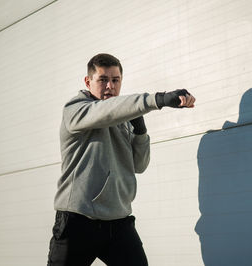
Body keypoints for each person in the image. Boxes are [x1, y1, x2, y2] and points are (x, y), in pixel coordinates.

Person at [47, 53, 195, 266]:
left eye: (115, 80)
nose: (110, 86)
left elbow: (139, 165)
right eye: (103, 80)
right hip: (78, 220)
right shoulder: (75, 109)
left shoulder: (122, 118)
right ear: (88, 82)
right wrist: (158, 99)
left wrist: (140, 133)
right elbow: (105, 112)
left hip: (118, 221)